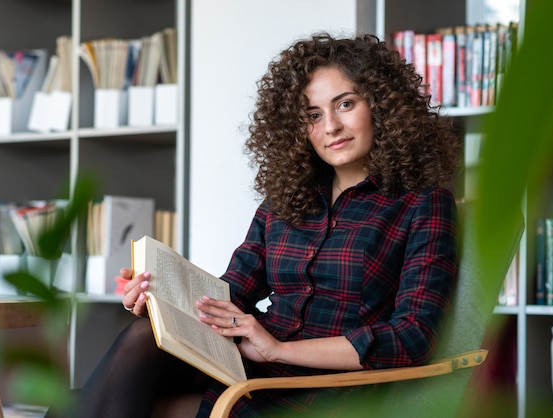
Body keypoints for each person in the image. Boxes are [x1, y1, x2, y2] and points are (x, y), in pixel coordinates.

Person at [67, 32, 460, 417]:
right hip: (248, 365)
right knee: (138, 343)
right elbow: (233, 291)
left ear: (381, 105)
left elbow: (412, 335)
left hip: (326, 387)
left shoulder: (422, 203)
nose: (330, 127)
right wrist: (157, 302)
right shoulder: (287, 198)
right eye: (313, 114)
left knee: (83, 403)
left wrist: (277, 349)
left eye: (345, 104)